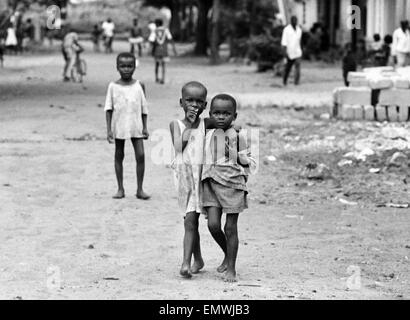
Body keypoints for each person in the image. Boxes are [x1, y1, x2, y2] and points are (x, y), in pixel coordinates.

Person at [202, 94, 255, 283]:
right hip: (210, 183)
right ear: (210, 114)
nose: (221, 117)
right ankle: (227, 254)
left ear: (234, 115)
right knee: (213, 225)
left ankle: (231, 267)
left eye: (226, 113)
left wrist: (230, 153)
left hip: (232, 186)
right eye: (216, 113)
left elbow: (249, 162)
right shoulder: (207, 132)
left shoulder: (238, 136)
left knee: (230, 227)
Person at [169, 81, 209, 278]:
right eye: (189, 100)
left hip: (200, 179)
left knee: (191, 222)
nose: (194, 105)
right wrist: (190, 124)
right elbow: (179, 147)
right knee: (190, 221)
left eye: (199, 101)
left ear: (205, 105)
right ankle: (198, 258)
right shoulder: (176, 125)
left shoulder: (206, 124)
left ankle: (185, 263)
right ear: (181, 103)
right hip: (183, 180)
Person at [105, 52, 150, 200]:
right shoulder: (112, 86)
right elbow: (108, 108)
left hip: (135, 126)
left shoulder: (139, 85)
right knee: (119, 155)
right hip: (119, 126)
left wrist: (145, 127)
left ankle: (140, 189)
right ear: (117, 67)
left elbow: (144, 108)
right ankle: (120, 188)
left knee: (141, 155)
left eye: (130, 66)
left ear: (134, 67)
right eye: (123, 66)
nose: (126, 69)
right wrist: (109, 130)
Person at [149, 18, 177, 84]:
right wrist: (174, 49)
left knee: (157, 64)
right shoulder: (166, 30)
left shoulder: (154, 31)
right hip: (164, 50)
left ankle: (156, 78)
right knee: (163, 65)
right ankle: (163, 78)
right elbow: (170, 39)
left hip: (157, 50)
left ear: (157, 24)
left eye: (155, 23)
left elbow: (151, 40)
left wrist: (151, 49)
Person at [281, 16, 303, 86]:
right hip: (289, 52)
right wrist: (284, 53)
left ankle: (296, 82)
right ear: (291, 21)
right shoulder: (286, 30)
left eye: (296, 20)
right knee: (288, 68)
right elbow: (284, 42)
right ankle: (284, 81)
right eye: (293, 20)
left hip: (297, 52)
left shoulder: (299, 30)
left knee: (298, 67)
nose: (295, 22)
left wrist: (301, 50)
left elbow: (300, 41)